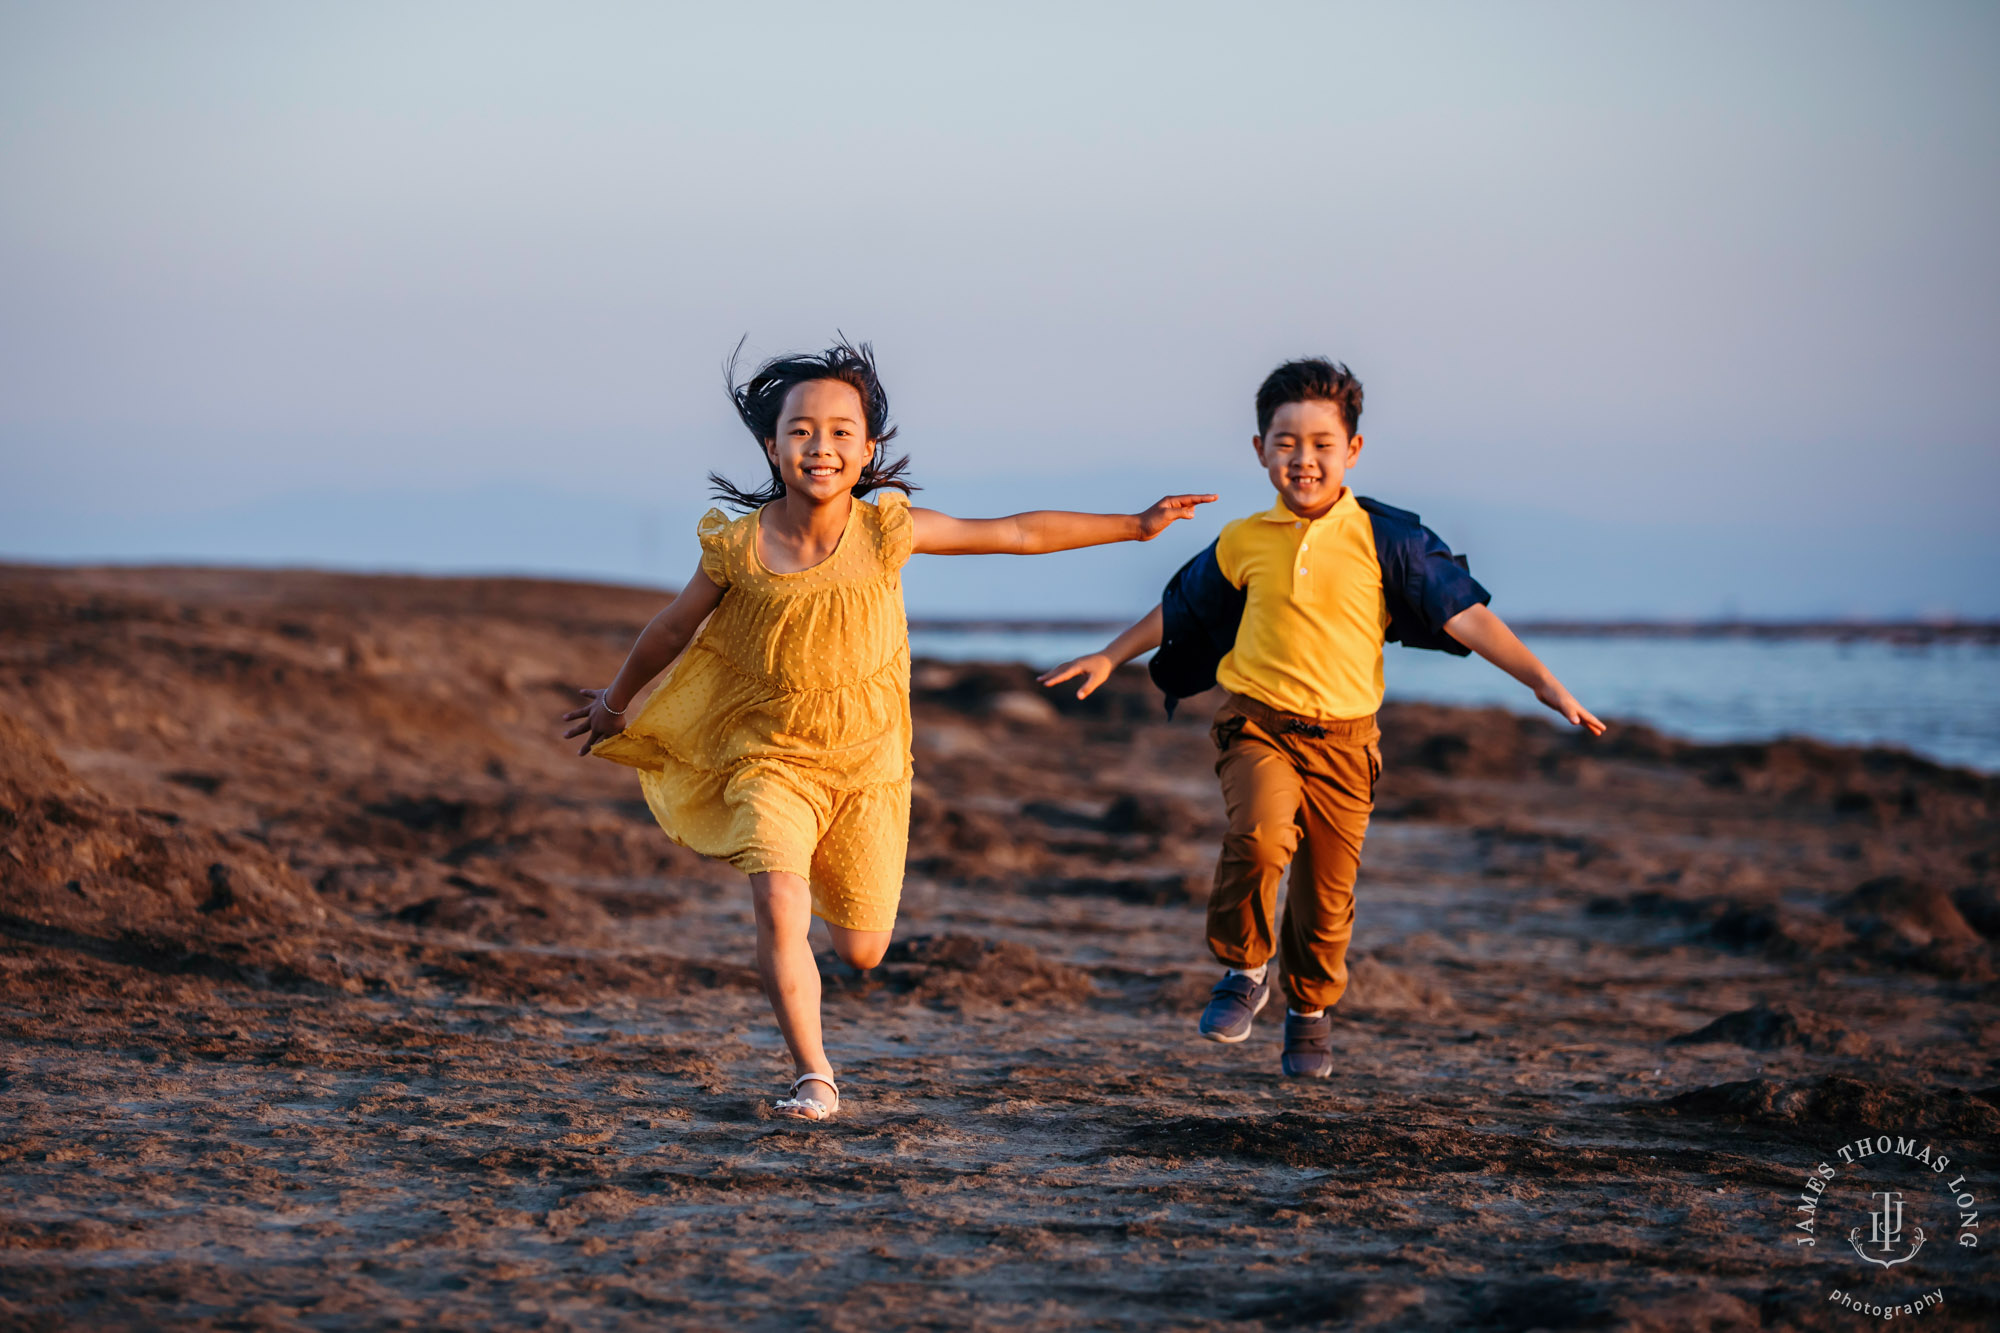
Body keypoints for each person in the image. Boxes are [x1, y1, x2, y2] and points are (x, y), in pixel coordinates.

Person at [563, 340, 1214, 1120]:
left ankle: (827, 1004)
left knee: (862, 951)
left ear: (868, 449)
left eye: (842, 431)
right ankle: (813, 1074)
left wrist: (1135, 527)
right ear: (771, 446)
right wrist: (615, 701)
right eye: (801, 430)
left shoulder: (885, 532)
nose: (821, 446)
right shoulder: (736, 548)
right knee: (778, 901)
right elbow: (669, 631)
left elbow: (1012, 533)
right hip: (767, 757)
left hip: (870, 766)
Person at [1038, 357, 1604, 1078]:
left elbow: (1467, 616)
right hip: (1257, 725)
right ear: (1259, 449)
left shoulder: (1383, 538)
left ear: (1352, 451)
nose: (1302, 459)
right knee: (1259, 836)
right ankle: (1245, 968)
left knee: (1326, 901)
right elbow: (1183, 609)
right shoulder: (1246, 538)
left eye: (1320, 444)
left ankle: (1308, 1010)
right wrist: (1111, 655)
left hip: (1346, 743)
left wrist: (1543, 682)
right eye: (1285, 443)